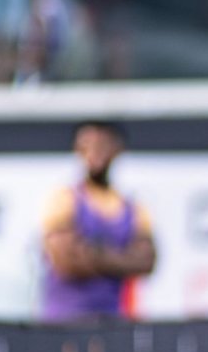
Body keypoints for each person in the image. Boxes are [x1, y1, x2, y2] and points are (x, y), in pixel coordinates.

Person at [39, 120, 156, 322]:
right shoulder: (64, 199)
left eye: (102, 145)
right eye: (87, 145)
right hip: (63, 323)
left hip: (112, 321)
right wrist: (120, 257)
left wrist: (91, 254)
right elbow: (64, 259)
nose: (95, 153)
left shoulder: (132, 207)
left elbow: (146, 260)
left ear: (117, 150)